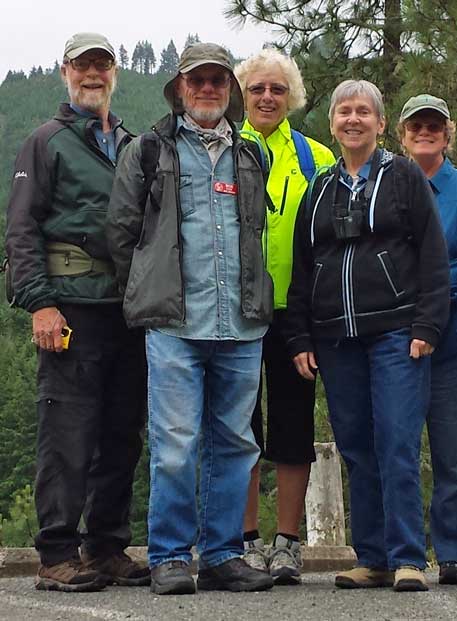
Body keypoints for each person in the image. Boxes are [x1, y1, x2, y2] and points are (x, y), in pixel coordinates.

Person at [107, 42, 274, 595]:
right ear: (179, 87)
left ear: (229, 90)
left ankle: (224, 553)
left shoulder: (252, 155)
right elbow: (122, 234)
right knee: (175, 442)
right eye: (196, 80)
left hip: (242, 322)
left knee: (236, 443)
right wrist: (150, 287)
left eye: (217, 81)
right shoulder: (148, 150)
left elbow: (254, 234)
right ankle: (171, 554)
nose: (207, 89)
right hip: (175, 322)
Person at [284, 79, 450, 593]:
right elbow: (303, 266)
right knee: (357, 446)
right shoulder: (320, 187)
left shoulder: (403, 177)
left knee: (397, 441)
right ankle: (372, 556)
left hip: (397, 333)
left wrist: (427, 324)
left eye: (363, 112)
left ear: (381, 124)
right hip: (336, 340)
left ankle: (407, 557)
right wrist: (299, 336)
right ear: (332, 123)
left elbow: (432, 253)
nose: (352, 120)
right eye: (342, 112)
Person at [4, 32, 148, 593]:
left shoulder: (135, 145)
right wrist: (40, 303)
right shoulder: (45, 142)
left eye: (102, 66)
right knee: (67, 432)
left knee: (121, 431)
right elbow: (20, 230)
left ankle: (107, 546)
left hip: (128, 310)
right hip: (69, 310)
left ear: (115, 73)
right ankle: (57, 553)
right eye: (83, 66)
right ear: (65, 72)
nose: (93, 75)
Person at [233, 48, 336, 585]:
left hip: (298, 314)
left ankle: (288, 543)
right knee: (241, 428)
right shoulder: (223, 150)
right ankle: (246, 541)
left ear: (291, 96)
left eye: (277, 90)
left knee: (293, 426)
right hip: (236, 311)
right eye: (257, 89)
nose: (267, 98)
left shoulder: (317, 157)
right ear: (241, 95)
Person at [396, 94, 457, 585]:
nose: (425, 132)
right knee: (399, 444)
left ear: (448, 133)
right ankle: (402, 548)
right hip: (399, 340)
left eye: (434, 125)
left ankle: (454, 551)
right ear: (402, 134)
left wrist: (423, 300)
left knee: (456, 448)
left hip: (455, 337)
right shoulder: (389, 185)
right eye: (416, 126)